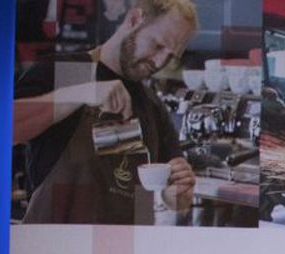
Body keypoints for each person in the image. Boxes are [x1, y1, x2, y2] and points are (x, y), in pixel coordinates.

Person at [12, 0, 198, 224]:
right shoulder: (70, 71)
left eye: (170, 56)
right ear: (134, 20)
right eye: (157, 45)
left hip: (129, 242)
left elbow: (174, 194)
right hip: (61, 241)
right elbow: (5, 131)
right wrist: (81, 92)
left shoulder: (151, 103)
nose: (159, 62)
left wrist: (176, 194)